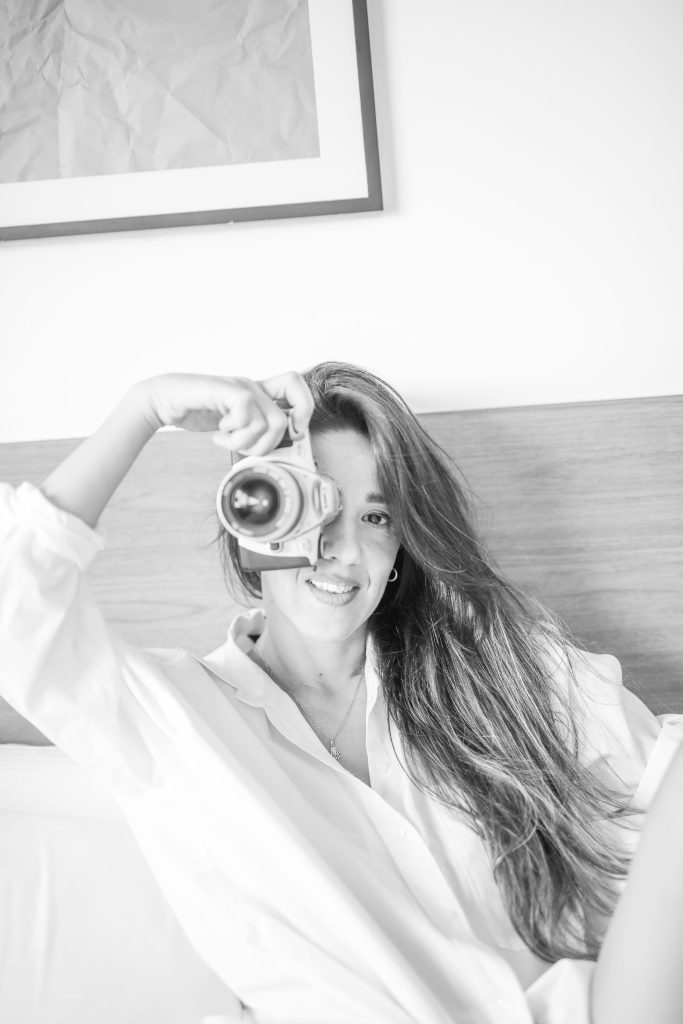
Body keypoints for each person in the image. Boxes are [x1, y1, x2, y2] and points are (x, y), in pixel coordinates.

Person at [0, 361, 681, 1024]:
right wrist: (144, 407)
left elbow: (660, 788)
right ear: (252, 522)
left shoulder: (493, 667)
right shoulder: (175, 721)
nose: (345, 548)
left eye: (376, 518)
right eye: (314, 503)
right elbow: (15, 613)